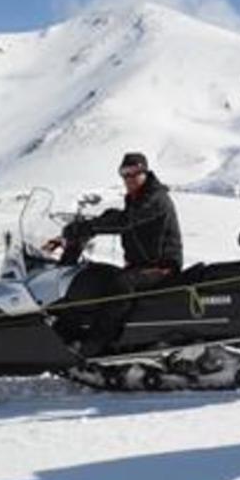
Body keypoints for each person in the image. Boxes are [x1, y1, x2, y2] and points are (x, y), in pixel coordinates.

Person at [57, 152, 184, 357]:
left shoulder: (155, 197)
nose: (129, 178)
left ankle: (97, 344)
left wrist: (91, 226)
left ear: (144, 172)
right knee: (97, 276)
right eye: (124, 173)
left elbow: (127, 220)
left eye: (134, 172)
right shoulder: (137, 198)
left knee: (121, 285)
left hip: (162, 267)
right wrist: (82, 231)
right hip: (141, 266)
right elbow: (119, 218)